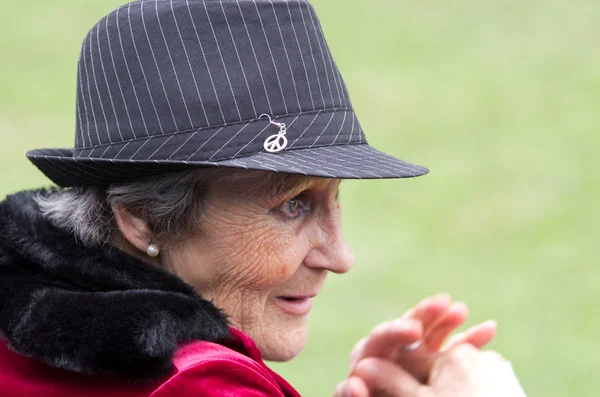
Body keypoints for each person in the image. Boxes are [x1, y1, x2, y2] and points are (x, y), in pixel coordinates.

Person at [0, 0, 526, 396]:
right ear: (141, 217)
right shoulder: (199, 385)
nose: (340, 258)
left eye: (333, 199)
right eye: (293, 204)